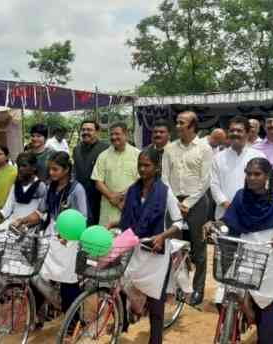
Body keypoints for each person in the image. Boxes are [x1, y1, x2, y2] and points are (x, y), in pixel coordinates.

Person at [210, 157, 273, 344]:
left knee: (268, 311)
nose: (251, 177)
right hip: (243, 252)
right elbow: (227, 220)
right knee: (224, 297)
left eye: (257, 174)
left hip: (269, 254)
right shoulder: (240, 196)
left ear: (266, 176)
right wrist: (213, 224)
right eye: (248, 174)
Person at [115, 147, 184, 344]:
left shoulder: (165, 192)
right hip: (135, 248)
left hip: (156, 254)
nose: (142, 169)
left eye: (147, 165)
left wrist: (162, 236)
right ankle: (124, 322)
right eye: (140, 165)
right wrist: (116, 225)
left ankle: (155, 340)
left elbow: (179, 224)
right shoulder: (133, 190)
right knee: (122, 285)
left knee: (156, 303)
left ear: (156, 168)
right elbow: (127, 219)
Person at [10, 152, 88, 319]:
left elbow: (83, 218)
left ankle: (73, 322)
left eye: (55, 169)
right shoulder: (51, 187)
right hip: (50, 236)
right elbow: (40, 212)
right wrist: (22, 220)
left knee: (68, 282)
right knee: (37, 277)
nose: (51, 173)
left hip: (69, 241)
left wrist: (68, 236)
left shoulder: (77, 189)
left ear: (66, 170)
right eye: (50, 169)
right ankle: (38, 315)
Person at [161, 110, 214, 305]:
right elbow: (164, 178)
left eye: (181, 122)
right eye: (177, 122)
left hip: (197, 202)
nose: (177, 126)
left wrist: (187, 203)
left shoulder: (204, 148)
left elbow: (206, 180)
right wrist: (175, 202)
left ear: (192, 126)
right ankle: (179, 288)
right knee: (175, 246)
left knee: (199, 248)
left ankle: (198, 290)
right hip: (173, 201)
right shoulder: (169, 149)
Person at [211, 116, 266, 220]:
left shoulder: (258, 156)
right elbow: (214, 184)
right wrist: (226, 204)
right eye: (232, 130)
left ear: (248, 133)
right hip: (224, 213)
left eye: (239, 130)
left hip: (252, 211)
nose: (235, 133)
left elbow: (265, 184)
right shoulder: (218, 157)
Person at [0, 152, 47, 226]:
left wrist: (23, 222)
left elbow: (41, 214)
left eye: (24, 166)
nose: (20, 169)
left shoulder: (41, 186)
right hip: (12, 223)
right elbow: (6, 211)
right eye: (19, 166)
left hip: (29, 228)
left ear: (34, 167)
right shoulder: (16, 185)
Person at [92, 122, 140, 227]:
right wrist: (112, 198)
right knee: (106, 241)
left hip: (129, 205)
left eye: (117, 134)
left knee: (129, 239)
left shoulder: (137, 154)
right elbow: (98, 181)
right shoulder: (103, 156)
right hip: (108, 207)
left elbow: (140, 180)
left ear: (126, 134)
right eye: (112, 134)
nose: (114, 137)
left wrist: (123, 196)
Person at [72, 120, 109, 226]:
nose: (85, 132)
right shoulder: (76, 149)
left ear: (97, 132)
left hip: (99, 197)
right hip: (80, 196)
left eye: (89, 130)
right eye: (83, 130)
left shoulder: (105, 149)